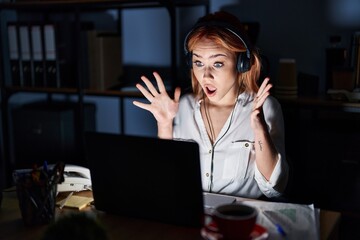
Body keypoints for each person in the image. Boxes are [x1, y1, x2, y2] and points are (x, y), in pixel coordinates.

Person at [133, 11, 288, 199]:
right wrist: (164, 125)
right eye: (198, 62)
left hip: (238, 219)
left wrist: (260, 129)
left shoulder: (265, 107)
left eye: (218, 64)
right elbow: (167, 177)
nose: (205, 75)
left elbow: (274, 188)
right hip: (189, 216)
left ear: (242, 64)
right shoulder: (182, 106)